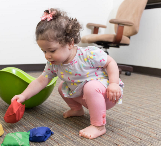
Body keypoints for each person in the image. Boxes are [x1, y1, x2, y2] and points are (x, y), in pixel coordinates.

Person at [11, 8, 124, 139]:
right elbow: (41, 80)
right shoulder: (54, 64)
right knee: (62, 87)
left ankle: (99, 126)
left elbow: (110, 62)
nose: (47, 56)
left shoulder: (88, 54)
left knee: (91, 87)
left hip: (106, 95)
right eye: (44, 51)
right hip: (84, 94)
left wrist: (114, 83)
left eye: (52, 50)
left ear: (70, 43)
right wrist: (23, 95)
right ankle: (77, 109)